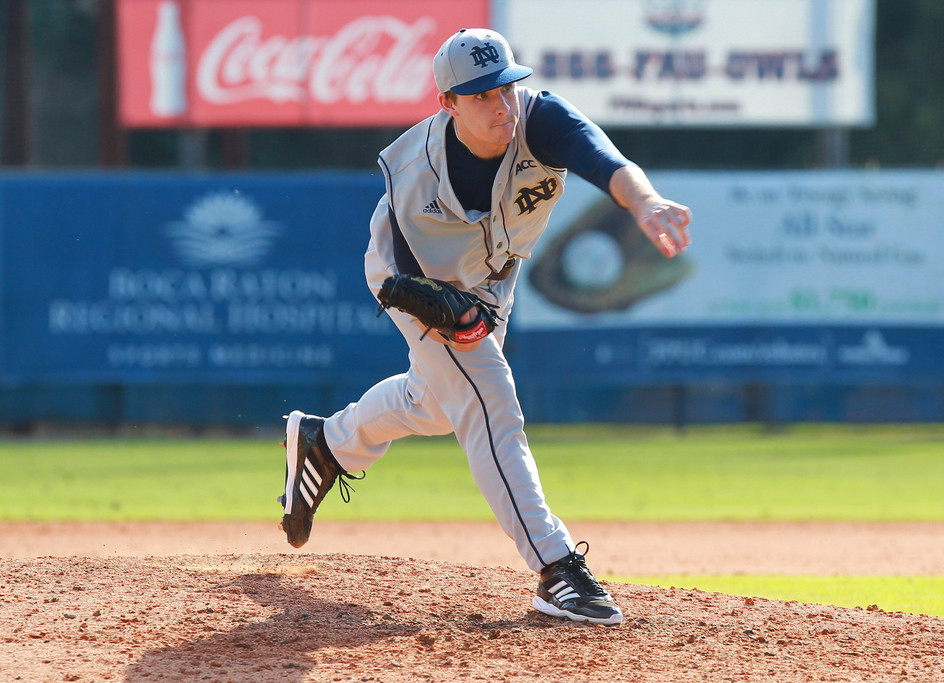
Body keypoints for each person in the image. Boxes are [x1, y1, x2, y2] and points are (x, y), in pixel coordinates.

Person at [278, 28, 691, 626]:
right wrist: (462, 319)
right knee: (490, 400)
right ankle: (555, 567)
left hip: (494, 273)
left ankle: (327, 442)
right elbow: (417, 287)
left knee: (442, 402)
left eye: (506, 87)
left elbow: (608, 164)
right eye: (481, 97)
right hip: (412, 278)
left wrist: (646, 201)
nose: (501, 106)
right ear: (447, 104)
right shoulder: (417, 177)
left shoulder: (540, 120)